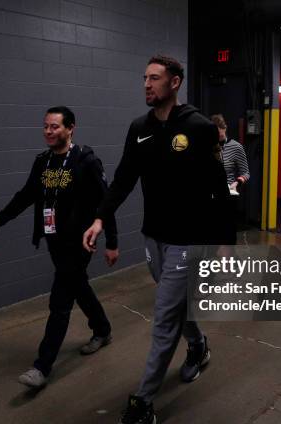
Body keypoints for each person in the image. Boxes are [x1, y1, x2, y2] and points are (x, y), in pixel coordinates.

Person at [83, 56, 232, 424]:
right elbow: (122, 180)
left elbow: (218, 188)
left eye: (154, 78)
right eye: (144, 78)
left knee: (165, 315)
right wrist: (100, 217)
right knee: (177, 309)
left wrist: (225, 240)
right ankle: (198, 345)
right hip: (154, 238)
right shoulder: (139, 129)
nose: (146, 85)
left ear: (175, 83)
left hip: (188, 240)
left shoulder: (198, 127)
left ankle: (143, 403)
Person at [0, 106, 119, 389]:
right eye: (45, 126)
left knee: (60, 300)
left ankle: (41, 366)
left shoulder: (85, 161)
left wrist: (112, 242)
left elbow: (107, 202)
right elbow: (26, 195)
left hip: (81, 242)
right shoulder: (43, 162)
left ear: (70, 128)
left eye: (54, 127)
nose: (48, 131)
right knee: (78, 286)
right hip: (54, 240)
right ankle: (103, 329)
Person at [210, 113, 250, 195]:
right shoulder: (207, 145)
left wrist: (237, 183)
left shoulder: (236, 147)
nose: (217, 136)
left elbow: (245, 173)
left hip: (228, 191)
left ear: (225, 128)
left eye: (219, 133)